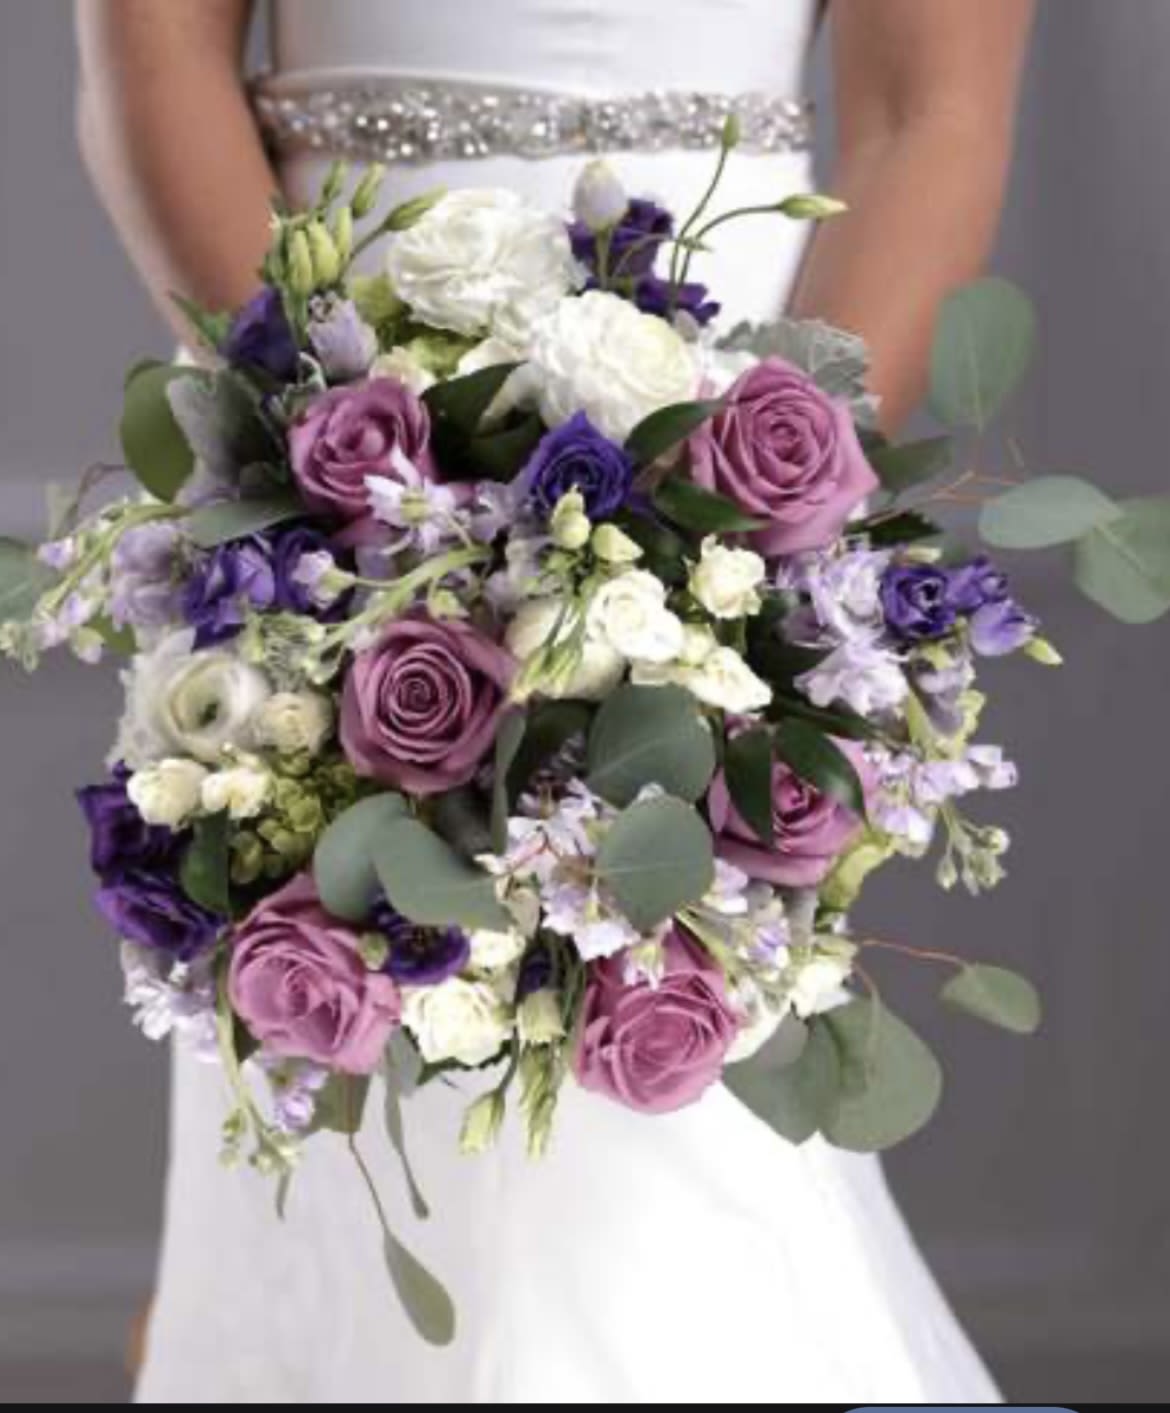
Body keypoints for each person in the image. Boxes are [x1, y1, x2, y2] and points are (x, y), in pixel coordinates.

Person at [76, 0, 1035, 1401]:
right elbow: (155, 56)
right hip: (322, 442)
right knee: (341, 1086)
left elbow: (925, 118)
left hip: (721, 417)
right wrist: (332, 474)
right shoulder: (320, 471)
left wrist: (756, 533)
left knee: (659, 1124)